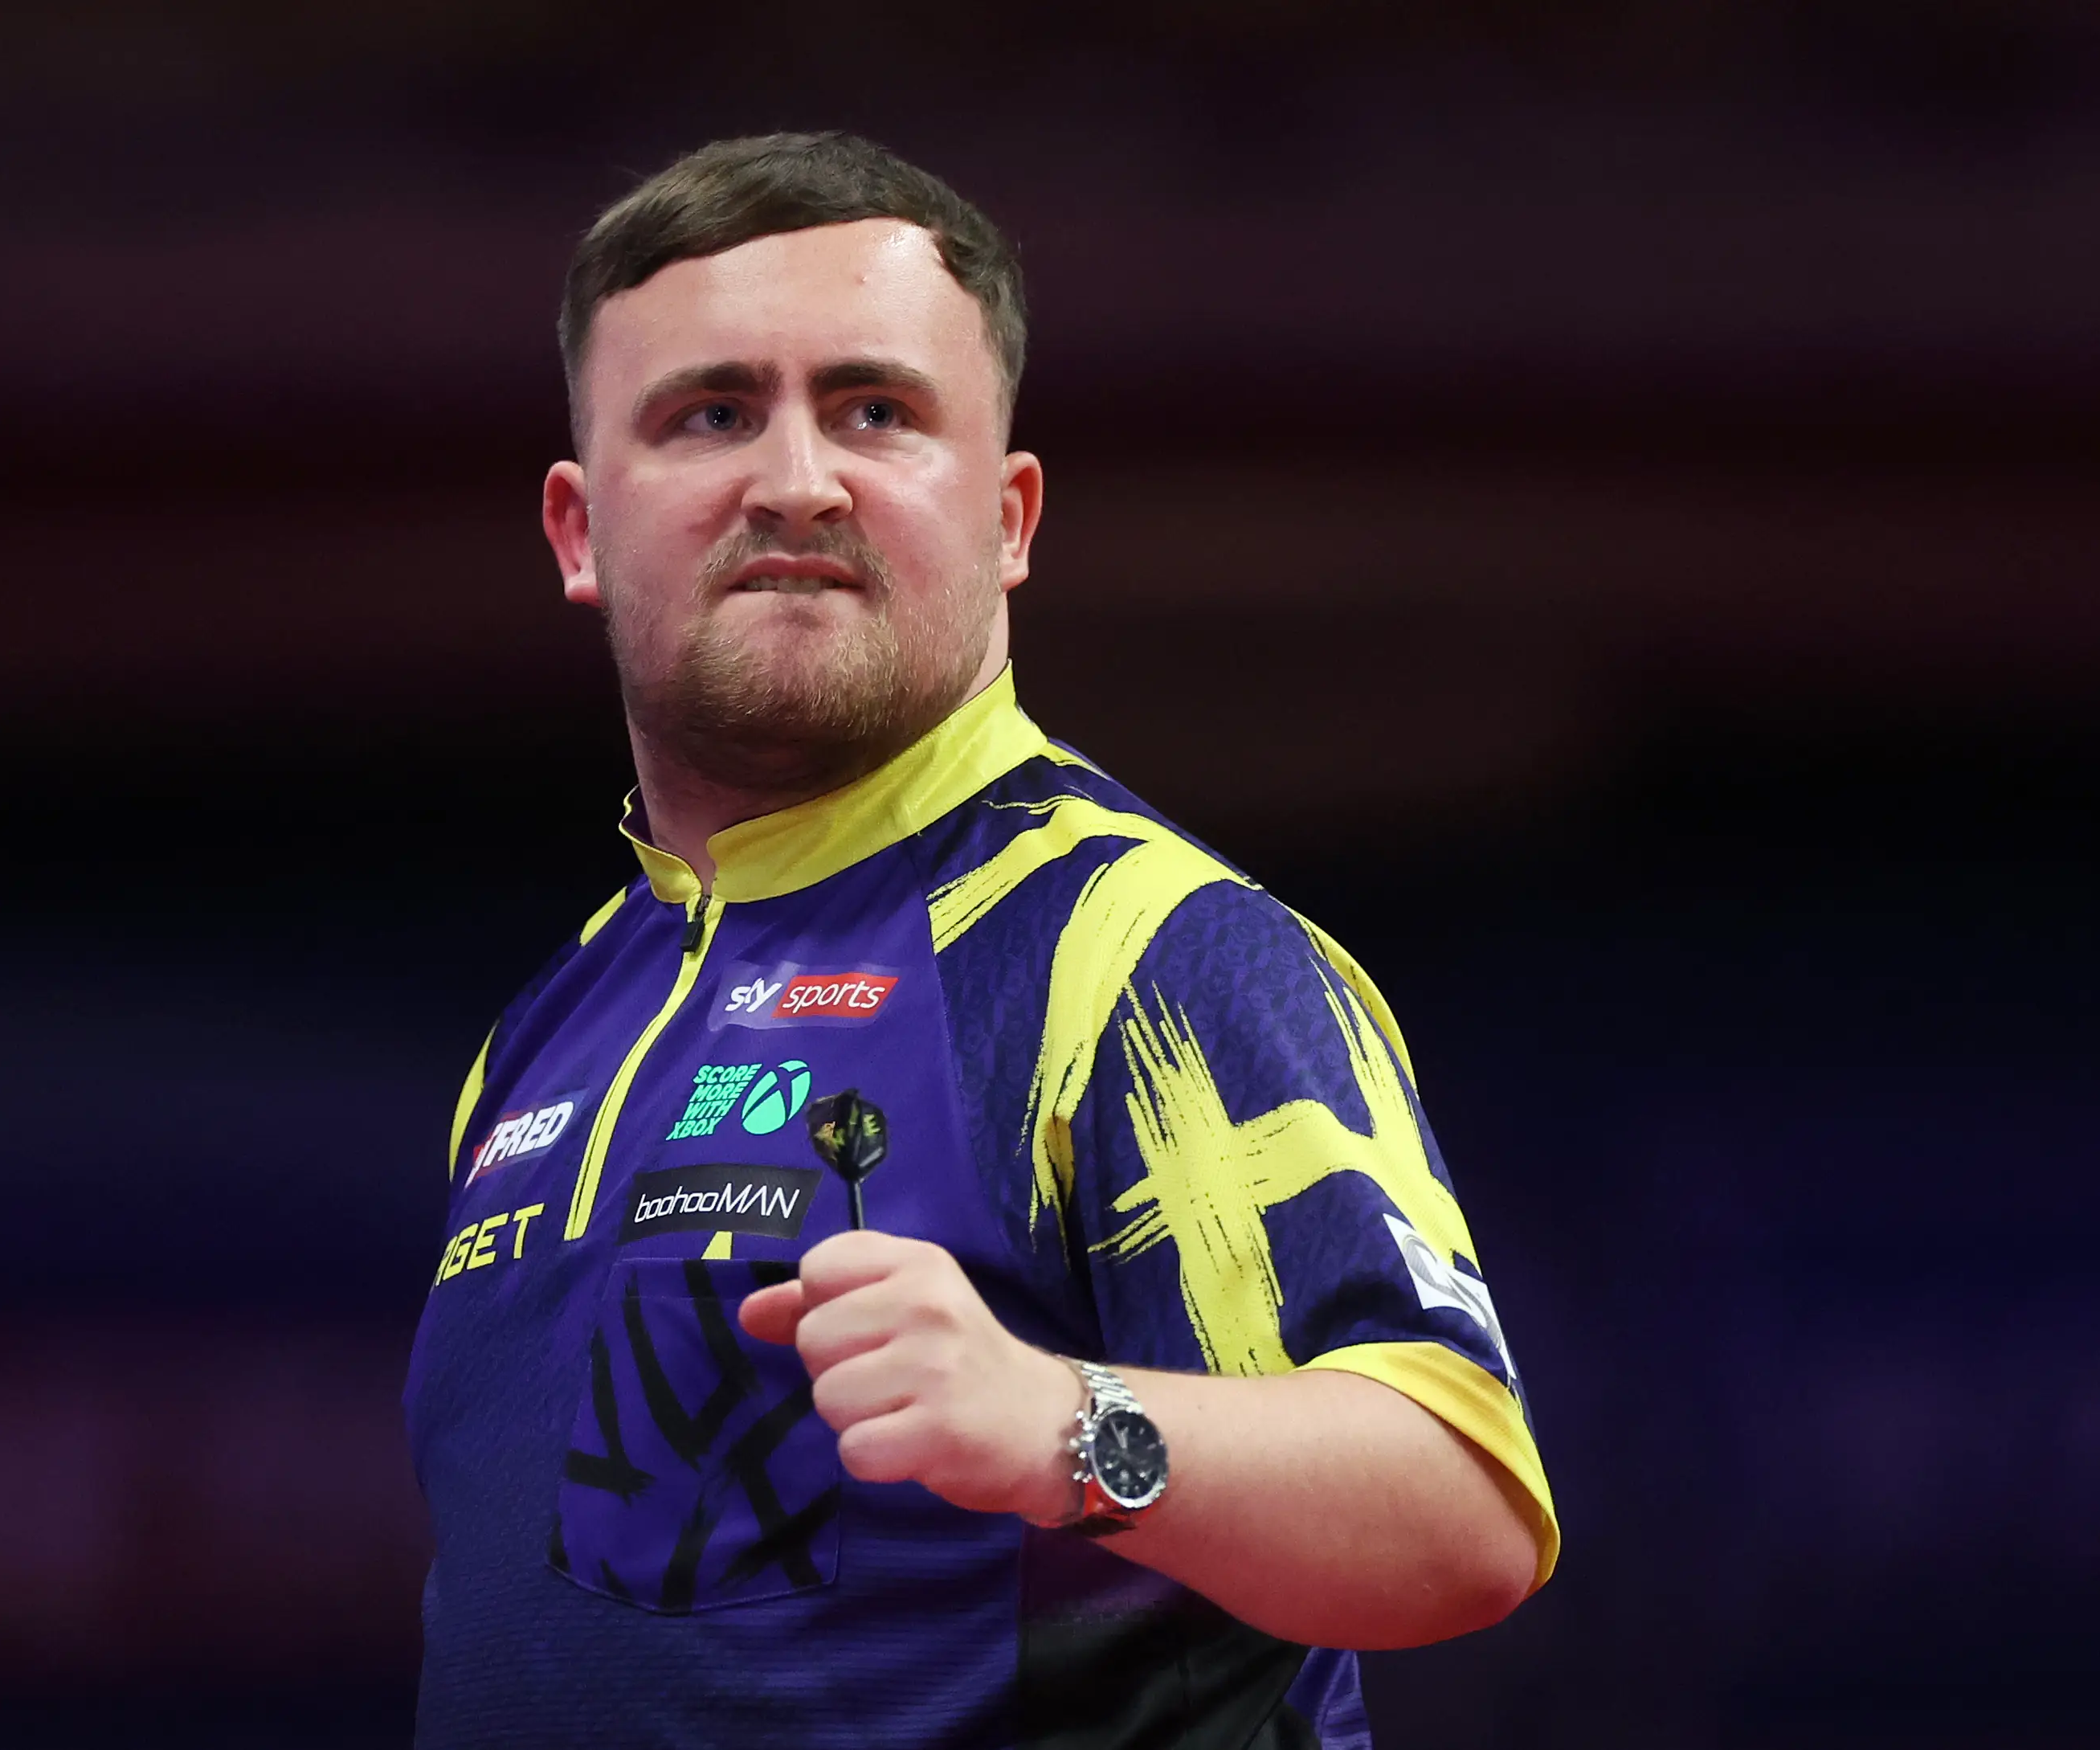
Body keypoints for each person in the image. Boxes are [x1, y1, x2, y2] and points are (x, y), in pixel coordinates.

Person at [404, 131, 1557, 1750]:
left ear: (1009, 516)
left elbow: (1458, 1508)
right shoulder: (551, 1026)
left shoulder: (1142, 950)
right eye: (710, 413)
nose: (796, 479)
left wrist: (1066, 1426)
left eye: (874, 410)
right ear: (578, 531)